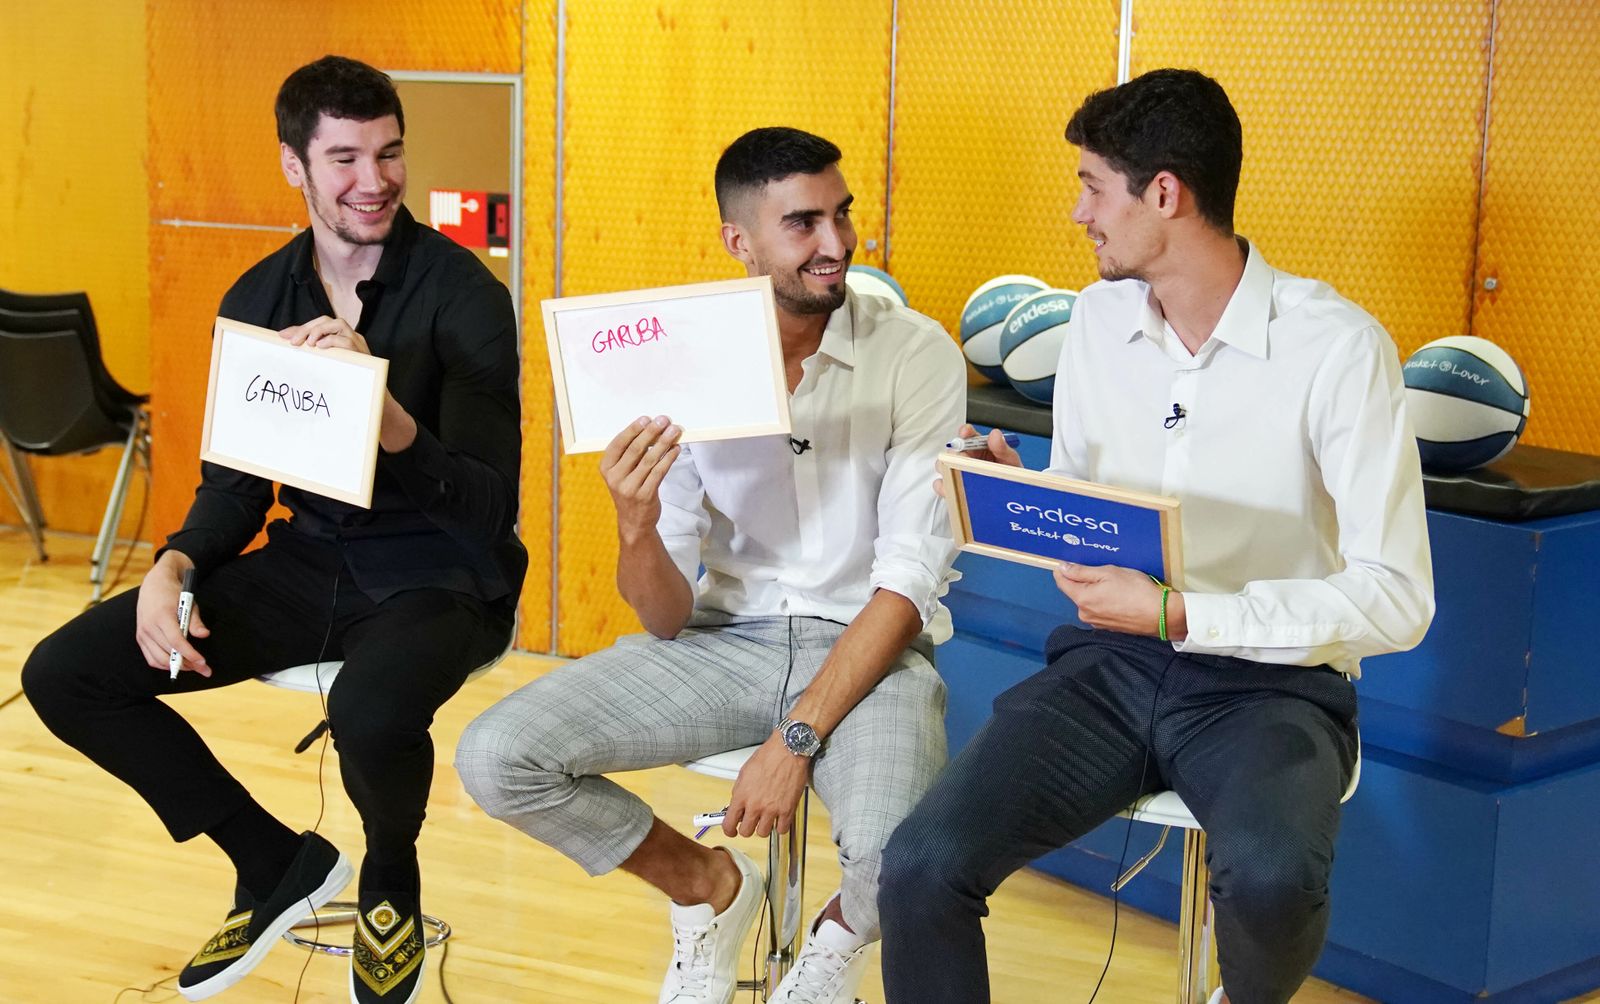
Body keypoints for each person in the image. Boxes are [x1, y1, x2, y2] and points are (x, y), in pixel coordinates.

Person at [877, 68, 1436, 1004]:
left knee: (1272, 883)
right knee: (921, 864)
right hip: (1110, 666)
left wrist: (1182, 611)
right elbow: (1093, 503)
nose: (1078, 212)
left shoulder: (1338, 349)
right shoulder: (1096, 321)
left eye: (1094, 186)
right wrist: (1018, 492)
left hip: (1273, 688)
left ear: (1165, 193)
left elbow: (1398, 596)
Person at [22, 55, 525, 1004]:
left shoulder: (464, 297)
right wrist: (172, 563)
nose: (372, 181)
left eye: (388, 154)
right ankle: (272, 861)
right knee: (64, 673)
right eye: (343, 159)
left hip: (443, 572)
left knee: (369, 712)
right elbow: (236, 489)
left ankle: (390, 877)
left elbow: (489, 508)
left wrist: (390, 419)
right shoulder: (255, 303)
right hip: (307, 562)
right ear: (294, 166)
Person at [455, 126, 965, 1004]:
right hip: (724, 641)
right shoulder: (677, 363)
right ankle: (708, 889)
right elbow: (661, 615)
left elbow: (910, 579)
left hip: (872, 646)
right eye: (802, 224)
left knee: (910, 861)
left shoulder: (916, 353)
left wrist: (794, 740)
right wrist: (634, 523)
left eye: (841, 217)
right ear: (741, 241)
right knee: (497, 757)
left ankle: (835, 940)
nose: (836, 245)